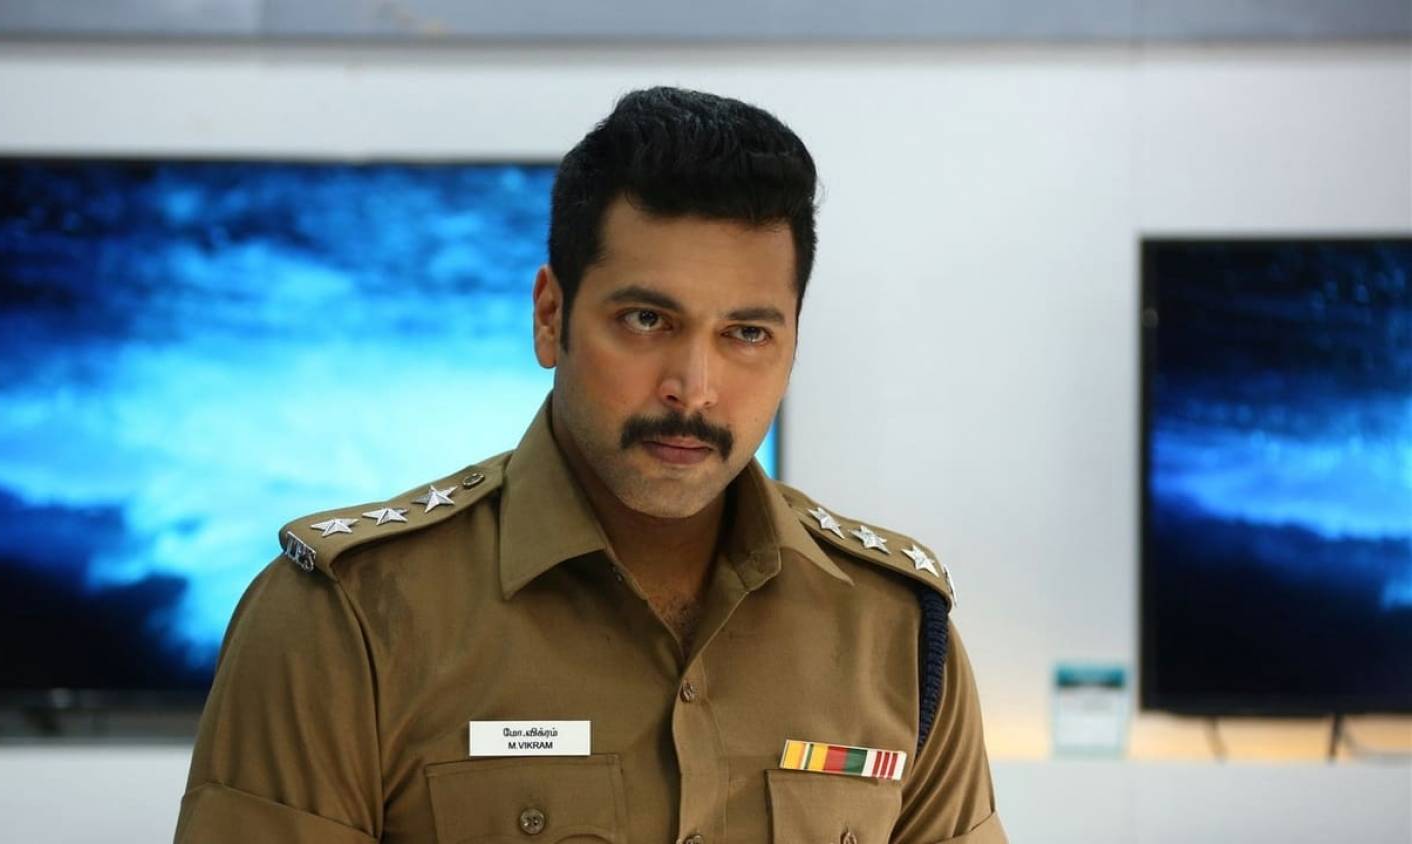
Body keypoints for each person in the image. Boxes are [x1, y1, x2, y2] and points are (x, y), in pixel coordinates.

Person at [174, 86, 1006, 844]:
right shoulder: (346, 618)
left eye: (747, 333)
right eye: (647, 320)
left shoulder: (896, 631)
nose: (694, 388)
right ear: (550, 317)